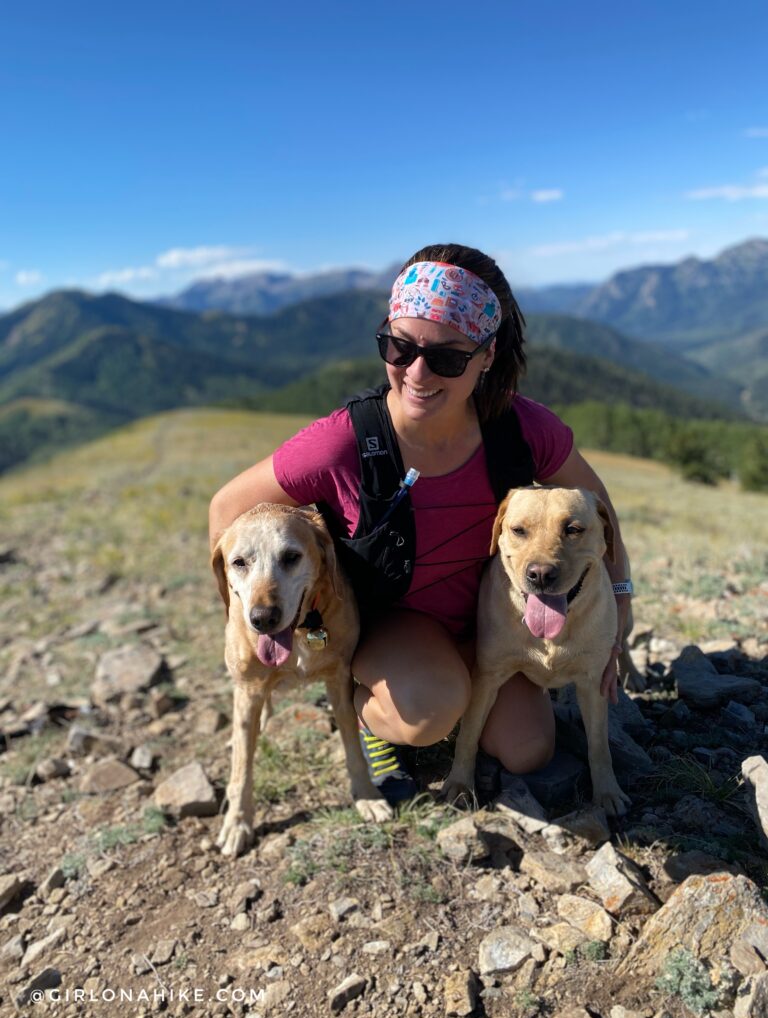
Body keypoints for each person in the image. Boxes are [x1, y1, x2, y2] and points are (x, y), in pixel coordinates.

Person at [208, 243, 633, 805]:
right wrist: (258, 613)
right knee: (428, 713)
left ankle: (461, 682)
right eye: (398, 346)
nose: (416, 372)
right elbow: (226, 510)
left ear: (486, 356)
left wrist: (618, 610)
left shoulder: (521, 429)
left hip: (490, 623)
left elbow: (598, 509)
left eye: (448, 358)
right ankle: (371, 708)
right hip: (394, 625)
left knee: (529, 749)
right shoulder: (344, 442)